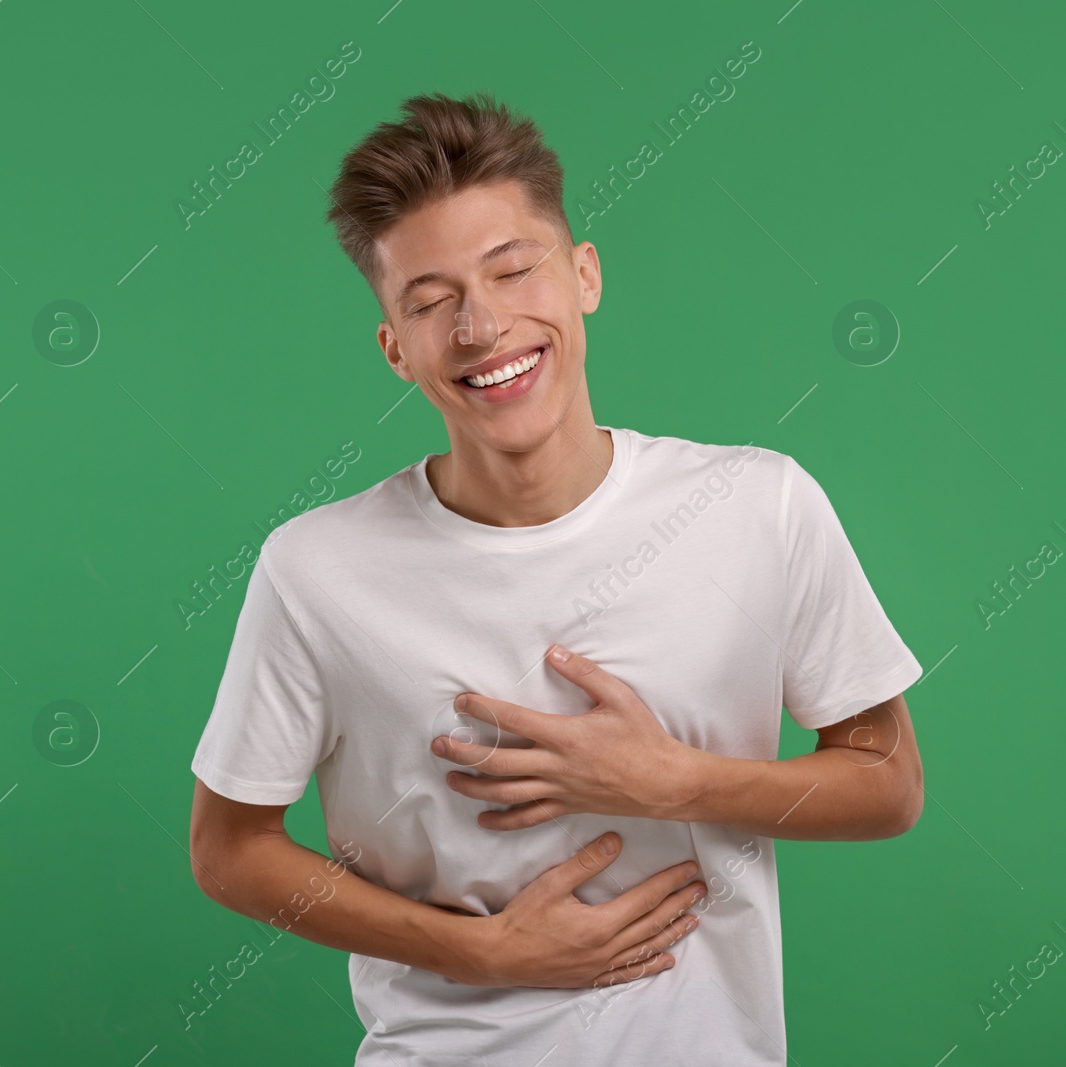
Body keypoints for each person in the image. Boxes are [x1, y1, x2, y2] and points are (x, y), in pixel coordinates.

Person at [186, 91, 924, 1066]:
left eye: (512, 268)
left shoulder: (759, 504)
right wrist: (480, 950)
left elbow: (888, 782)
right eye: (429, 298)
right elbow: (229, 848)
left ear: (583, 275)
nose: (481, 323)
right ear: (394, 348)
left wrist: (676, 781)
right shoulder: (315, 569)